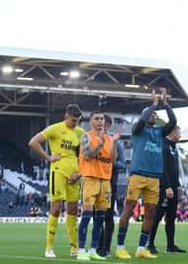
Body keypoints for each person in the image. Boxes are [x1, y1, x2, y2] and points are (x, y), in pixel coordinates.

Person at [115, 88, 177, 259]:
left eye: (155, 115)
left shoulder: (159, 132)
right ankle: (120, 247)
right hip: (138, 175)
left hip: (154, 177)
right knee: (128, 209)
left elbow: (173, 122)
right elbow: (142, 120)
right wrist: (153, 105)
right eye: (151, 114)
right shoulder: (137, 129)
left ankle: (141, 248)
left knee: (150, 212)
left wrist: (166, 105)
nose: (154, 116)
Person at [29, 104, 84, 258]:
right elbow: (33, 142)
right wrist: (48, 157)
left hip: (74, 176)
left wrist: (79, 174)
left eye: (77, 121)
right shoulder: (54, 129)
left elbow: (85, 157)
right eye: (73, 120)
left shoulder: (81, 133)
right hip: (58, 173)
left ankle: (74, 248)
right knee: (56, 209)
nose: (75, 124)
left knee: (73, 210)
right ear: (66, 116)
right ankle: (49, 248)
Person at [76, 112, 121, 261]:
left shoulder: (109, 139)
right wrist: (100, 145)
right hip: (90, 179)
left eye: (102, 119)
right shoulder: (86, 136)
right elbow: (88, 155)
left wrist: (113, 143)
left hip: (105, 181)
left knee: (100, 219)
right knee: (86, 216)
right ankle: (81, 250)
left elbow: (113, 159)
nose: (100, 121)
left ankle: (93, 250)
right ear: (90, 122)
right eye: (96, 119)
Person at [147, 125, 186, 254]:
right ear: (173, 132)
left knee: (171, 217)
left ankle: (170, 246)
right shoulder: (163, 145)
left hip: (174, 187)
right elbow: (162, 168)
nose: (180, 135)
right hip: (165, 187)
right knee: (157, 216)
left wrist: (178, 185)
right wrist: (167, 186)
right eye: (179, 133)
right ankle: (150, 244)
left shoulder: (174, 147)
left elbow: (173, 169)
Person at [96, 114, 126, 257]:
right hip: (94, 182)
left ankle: (106, 248)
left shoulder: (116, 144)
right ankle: (98, 246)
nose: (102, 125)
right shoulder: (91, 140)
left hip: (110, 183)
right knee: (96, 216)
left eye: (104, 124)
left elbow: (122, 164)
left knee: (107, 216)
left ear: (107, 126)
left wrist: (110, 164)